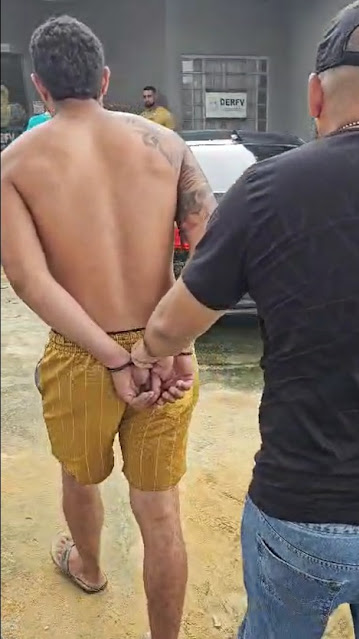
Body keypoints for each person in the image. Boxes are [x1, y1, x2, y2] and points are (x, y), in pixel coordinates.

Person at [131, 2, 359, 638]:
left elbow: (171, 326)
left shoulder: (267, 189)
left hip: (303, 509)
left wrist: (145, 357)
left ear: (315, 96)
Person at [1, 15, 215, 639]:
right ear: (105, 79)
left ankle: (89, 568)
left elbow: (29, 281)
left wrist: (116, 358)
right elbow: (214, 255)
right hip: (164, 345)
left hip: (80, 353)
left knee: (79, 475)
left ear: (40, 87)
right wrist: (172, 341)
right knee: (160, 509)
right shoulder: (167, 145)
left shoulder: (14, 164)